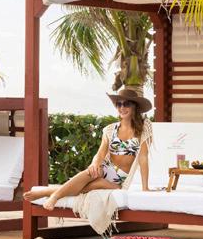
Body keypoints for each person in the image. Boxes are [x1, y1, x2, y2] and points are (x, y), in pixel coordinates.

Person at [24, 88, 154, 209]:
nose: (122, 108)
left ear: (134, 107)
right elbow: (101, 153)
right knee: (90, 172)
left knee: (94, 185)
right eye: (119, 104)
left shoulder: (144, 128)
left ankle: (47, 192)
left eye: (126, 104)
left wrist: (145, 187)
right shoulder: (110, 129)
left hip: (120, 179)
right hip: (106, 168)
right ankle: (55, 196)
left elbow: (143, 158)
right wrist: (95, 163)